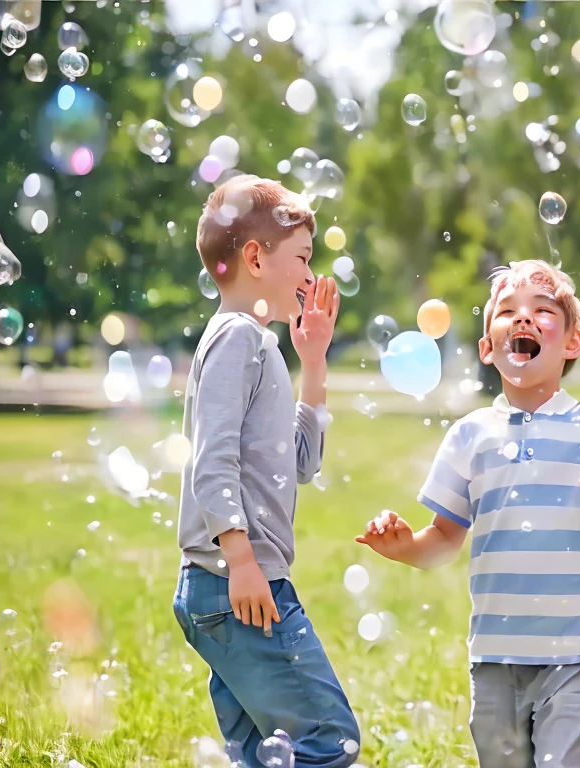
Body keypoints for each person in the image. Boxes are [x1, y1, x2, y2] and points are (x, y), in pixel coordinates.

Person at [356, 260, 580, 768]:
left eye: (542, 311)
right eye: (507, 312)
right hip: (497, 650)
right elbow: (442, 539)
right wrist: (403, 546)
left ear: (572, 342)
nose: (523, 320)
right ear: (487, 348)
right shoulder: (470, 434)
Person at [172, 175, 361, 768]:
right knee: (331, 740)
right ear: (255, 257)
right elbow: (212, 460)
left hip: (232, 584)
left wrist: (313, 362)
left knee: (261, 755)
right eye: (302, 258)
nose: (310, 277)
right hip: (239, 582)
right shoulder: (236, 339)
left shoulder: (263, 346)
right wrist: (242, 560)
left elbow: (301, 463)